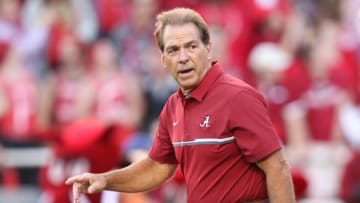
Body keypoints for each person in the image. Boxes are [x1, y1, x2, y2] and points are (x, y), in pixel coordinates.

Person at [66, 7, 295, 203]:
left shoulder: (238, 97)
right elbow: (157, 168)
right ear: (163, 59)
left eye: (191, 47)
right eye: (173, 50)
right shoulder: (173, 106)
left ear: (209, 48)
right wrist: (105, 180)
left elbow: (278, 168)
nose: (183, 57)